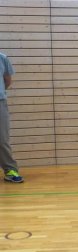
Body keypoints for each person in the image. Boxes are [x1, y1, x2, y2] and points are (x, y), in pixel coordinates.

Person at [0, 52, 23, 183]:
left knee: (2, 139)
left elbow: (7, 80)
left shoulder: (2, 58)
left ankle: (10, 170)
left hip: (0, 102)